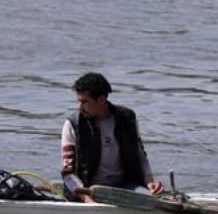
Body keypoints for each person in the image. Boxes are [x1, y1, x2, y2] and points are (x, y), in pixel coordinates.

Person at [61, 73, 164, 202]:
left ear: (102, 99)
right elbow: (68, 173)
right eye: (79, 101)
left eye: (85, 102)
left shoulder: (127, 118)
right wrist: (88, 200)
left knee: (152, 200)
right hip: (88, 189)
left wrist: (150, 181)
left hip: (124, 186)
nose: (80, 107)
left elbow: (139, 155)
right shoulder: (72, 124)